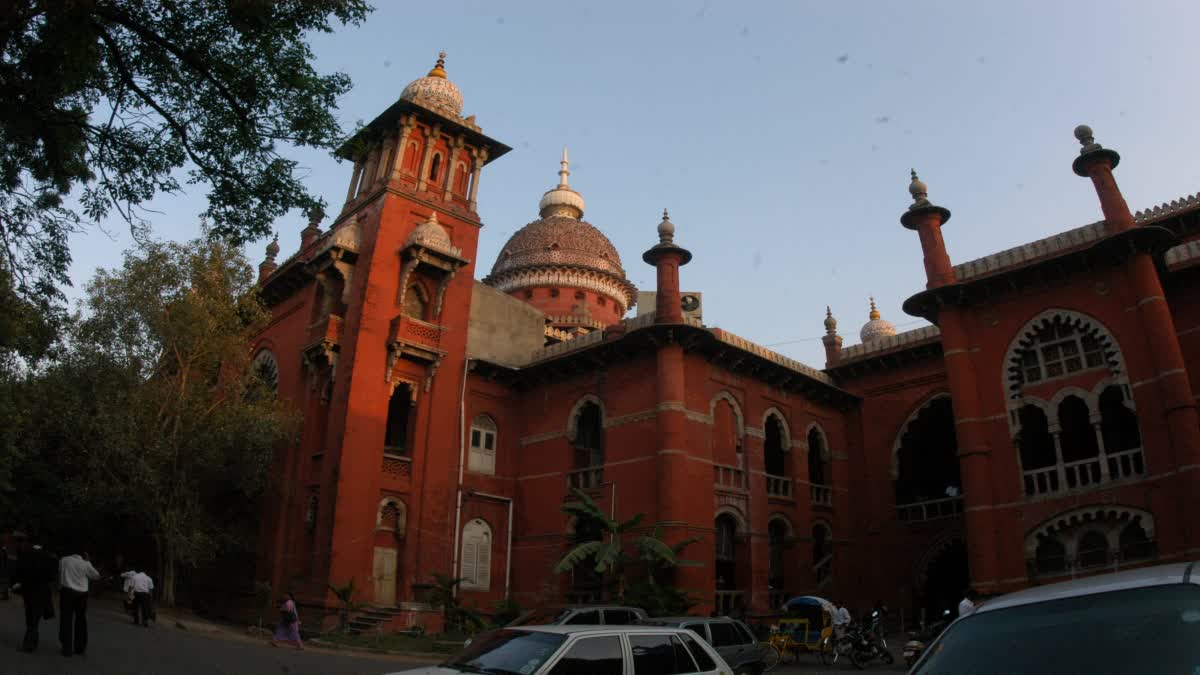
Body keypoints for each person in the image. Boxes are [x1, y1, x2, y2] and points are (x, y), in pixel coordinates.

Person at [12, 535, 56, 652]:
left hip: (29, 590)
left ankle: (29, 643)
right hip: (42, 591)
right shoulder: (48, 556)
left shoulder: (26, 555)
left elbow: (19, 572)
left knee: (30, 615)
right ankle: (33, 641)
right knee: (35, 617)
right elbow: (52, 577)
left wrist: (18, 584)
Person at [58, 546, 100, 657]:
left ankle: (66, 648)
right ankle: (79, 647)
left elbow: (60, 573)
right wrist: (89, 562)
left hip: (67, 591)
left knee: (66, 618)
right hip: (82, 594)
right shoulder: (85, 564)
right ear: (83, 554)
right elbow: (96, 576)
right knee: (80, 620)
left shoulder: (64, 560)